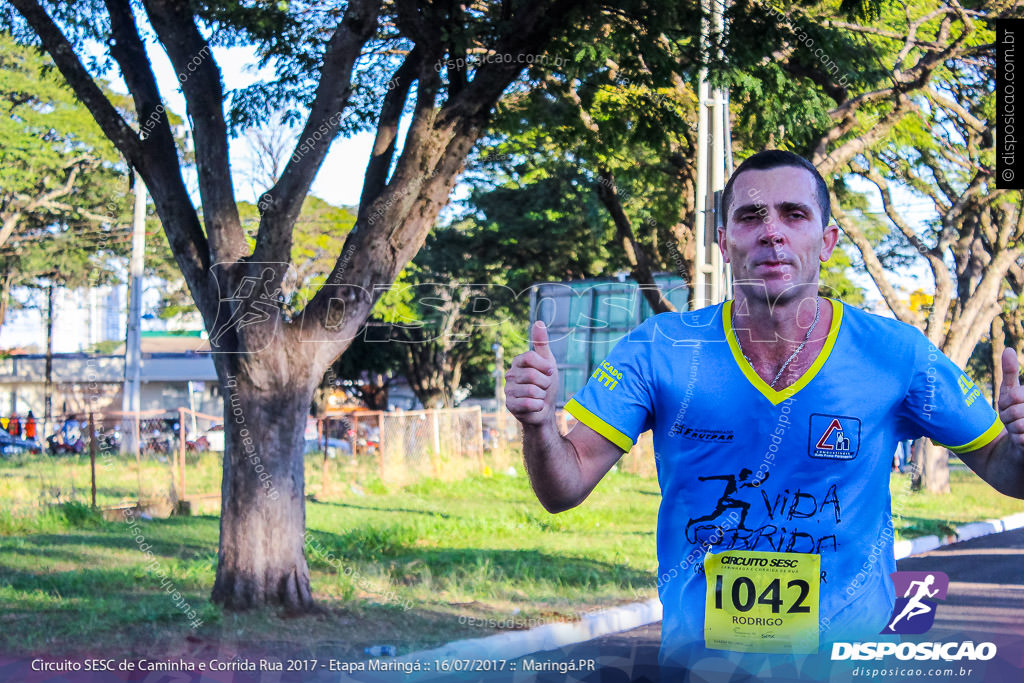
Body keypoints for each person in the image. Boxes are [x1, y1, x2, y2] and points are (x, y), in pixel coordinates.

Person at [505, 150, 1024, 678]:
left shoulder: (897, 353)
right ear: (724, 242)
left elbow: (1005, 470)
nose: (771, 232)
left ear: (827, 242)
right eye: (750, 217)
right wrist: (540, 424)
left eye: (794, 214)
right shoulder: (659, 348)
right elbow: (562, 488)